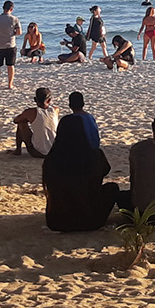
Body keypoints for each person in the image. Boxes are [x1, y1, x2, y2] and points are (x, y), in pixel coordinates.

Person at [42, 94, 119, 232]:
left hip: (57, 221)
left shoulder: (52, 160)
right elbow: (105, 169)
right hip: (90, 220)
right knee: (112, 188)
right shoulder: (93, 155)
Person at [12, 87, 59, 157]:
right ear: (49, 100)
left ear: (35, 100)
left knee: (21, 123)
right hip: (54, 150)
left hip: (38, 152)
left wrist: (27, 118)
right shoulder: (55, 110)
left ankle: (18, 150)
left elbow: (16, 120)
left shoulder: (31, 112)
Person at [0, 0, 20, 90]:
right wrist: (12, 32)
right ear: (11, 9)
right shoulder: (14, 19)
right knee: (10, 65)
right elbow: (19, 32)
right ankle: (10, 84)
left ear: (3, 8)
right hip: (10, 45)